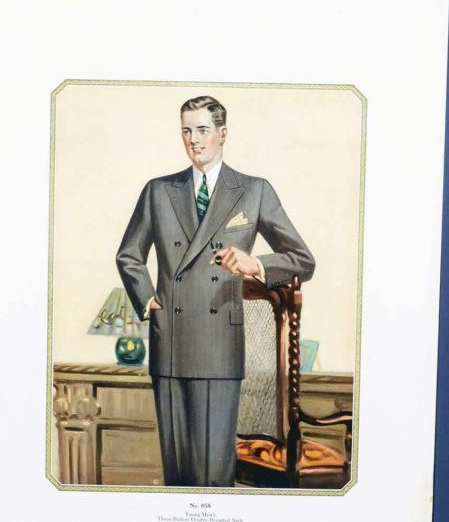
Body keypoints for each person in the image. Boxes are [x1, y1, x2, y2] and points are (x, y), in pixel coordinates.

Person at [116, 95, 315, 487]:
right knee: (177, 471)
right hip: (170, 337)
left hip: (219, 343)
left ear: (223, 134)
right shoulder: (158, 190)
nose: (194, 140)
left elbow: (303, 260)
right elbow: (129, 255)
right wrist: (149, 302)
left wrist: (255, 264)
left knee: (212, 474)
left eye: (203, 130)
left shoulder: (254, 191)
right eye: (186, 131)